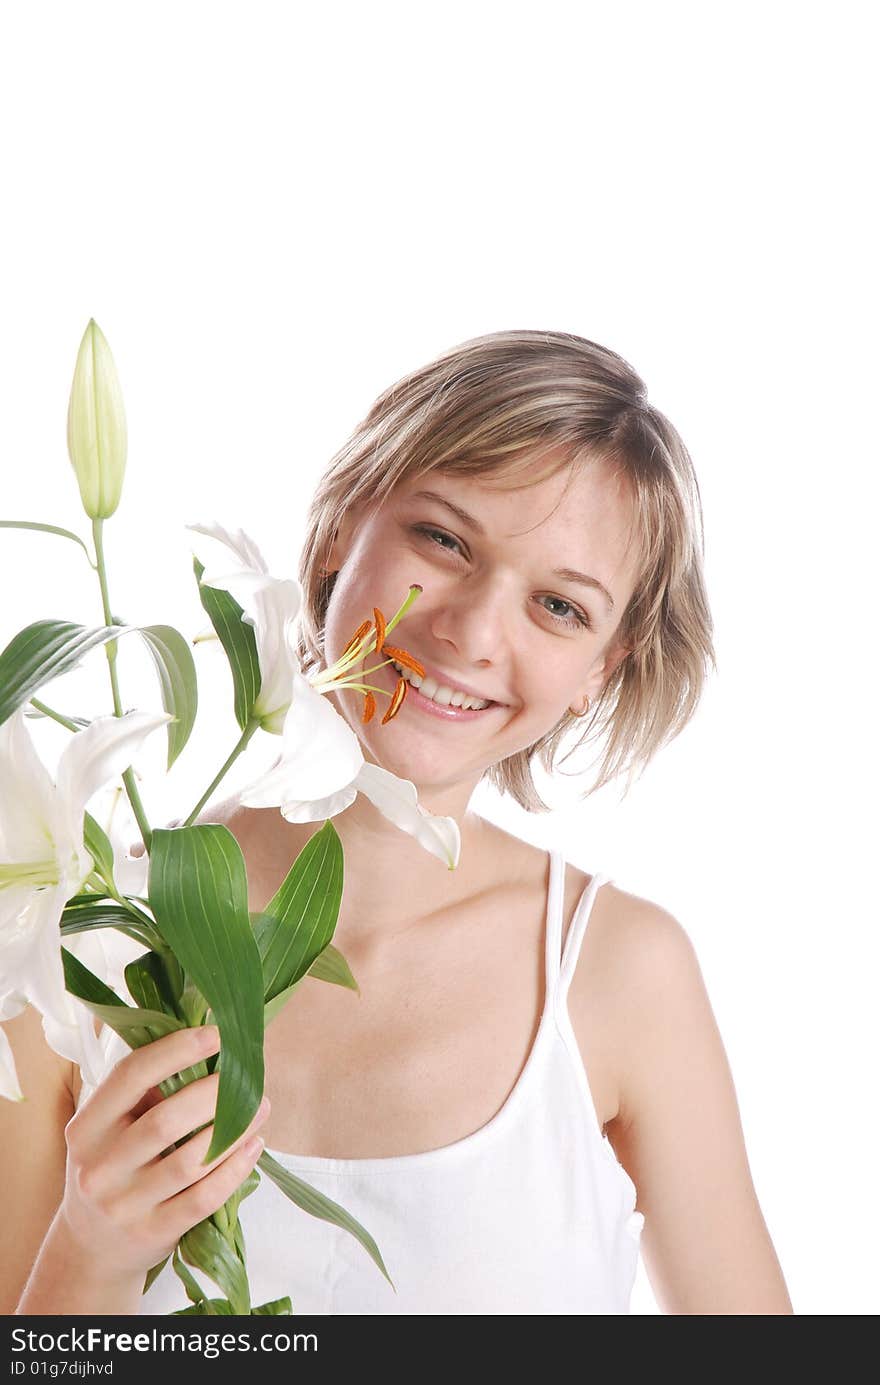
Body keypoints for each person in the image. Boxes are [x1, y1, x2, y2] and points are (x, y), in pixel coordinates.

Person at [2, 329, 793, 1315]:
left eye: (557, 604)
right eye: (445, 540)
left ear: (604, 665)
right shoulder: (72, 936)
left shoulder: (621, 973)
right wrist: (89, 1252)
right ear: (342, 526)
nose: (466, 631)